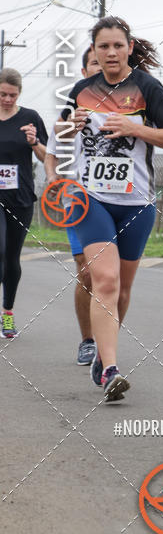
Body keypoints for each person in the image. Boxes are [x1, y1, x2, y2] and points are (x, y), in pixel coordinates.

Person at [58, 17, 163, 401]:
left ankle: (102, 354)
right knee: (105, 281)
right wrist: (71, 125)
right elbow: (60, 132)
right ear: (93, 51)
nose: (110, 53)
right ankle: (110, 368)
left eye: (117, 46)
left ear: (129, 48)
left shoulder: (148, 88)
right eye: (102, 47)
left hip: (136, 203)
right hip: (90, 198)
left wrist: (137, 129)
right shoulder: (81, 89)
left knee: (123, 289)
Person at [44, 46, 102, 365]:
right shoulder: (69, 115)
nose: (101, 67)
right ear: (83, 73)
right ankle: (88, 341)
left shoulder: (127, 109)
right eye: (94, 62)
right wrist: (53, 177)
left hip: (117, 202)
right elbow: (52, 153)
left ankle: (107, 338)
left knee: (111, 277)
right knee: (88, 272)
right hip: (79, 200)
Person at [0, 68, 48, 339]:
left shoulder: (30, 118)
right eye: (3, 94)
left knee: (12, 258)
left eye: (12, 95)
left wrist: (33, 142)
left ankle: (7, 313)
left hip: (20, 199)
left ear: (19, 94)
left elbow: (46, 157)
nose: (7, 99)